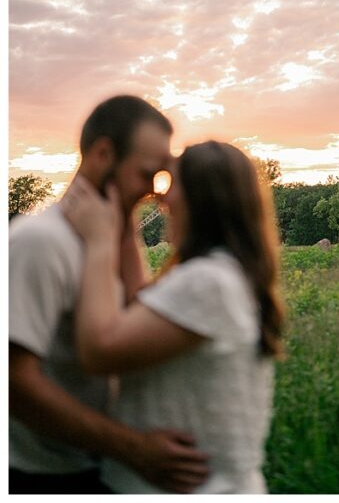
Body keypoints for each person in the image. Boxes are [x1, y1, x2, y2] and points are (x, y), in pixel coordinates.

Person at [9, 95, 210, 493]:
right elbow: (12, 381)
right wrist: (133, 448)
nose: (155, 193)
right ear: (103, 154)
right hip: (42, 480)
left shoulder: (112, 242)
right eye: (147, 174)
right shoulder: (40, 241)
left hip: (98, 470)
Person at [61, 139, 285, 493]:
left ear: (202, 199)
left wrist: (99, 242)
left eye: (173, 184)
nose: (161, 198)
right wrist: (122, 219)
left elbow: (99, 350)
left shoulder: (207, 283)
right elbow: (140, 313)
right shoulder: (223, 273)